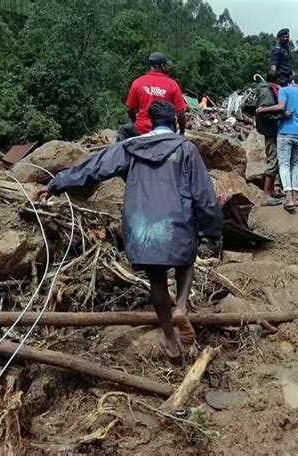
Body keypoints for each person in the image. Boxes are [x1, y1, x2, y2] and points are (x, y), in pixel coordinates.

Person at [38, 101, 222, 361]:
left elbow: (95, 167)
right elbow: (204, 195)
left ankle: (170, 338)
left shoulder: (131, 147)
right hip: (177, 224)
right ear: (174, 123)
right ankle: (181, 306)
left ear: (148, 122)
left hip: (142, 228)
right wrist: (212, 230)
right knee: (186, 260)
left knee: (156, 279)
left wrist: (56, 184)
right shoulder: (186, 150)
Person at [256, 74, 298, 212]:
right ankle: (296, 196)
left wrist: (261, 110)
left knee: (284, 165)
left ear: (290, 82)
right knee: (296, 164)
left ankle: (289, 199)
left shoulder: (284, 90)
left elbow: (281, 106)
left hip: (285, 132)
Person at [117, 52, 187, 142]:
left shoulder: (138, 82)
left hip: (142, 128)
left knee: (122, 131)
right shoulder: (172, 84)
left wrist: (135, 121)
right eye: (165, 65)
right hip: (165, 130)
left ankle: (119, 154)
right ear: (162, 66)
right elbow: (180, 112)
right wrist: (182, 132)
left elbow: (130, 109)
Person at [254, 70, 283, 206]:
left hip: (269, 130)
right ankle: (266, 195)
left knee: (274, 159)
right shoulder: (267, 92)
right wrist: (282, 115)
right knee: (273, 160)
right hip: (270, 130)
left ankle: (271, 191)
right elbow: (264, 112)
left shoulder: (266, 89)